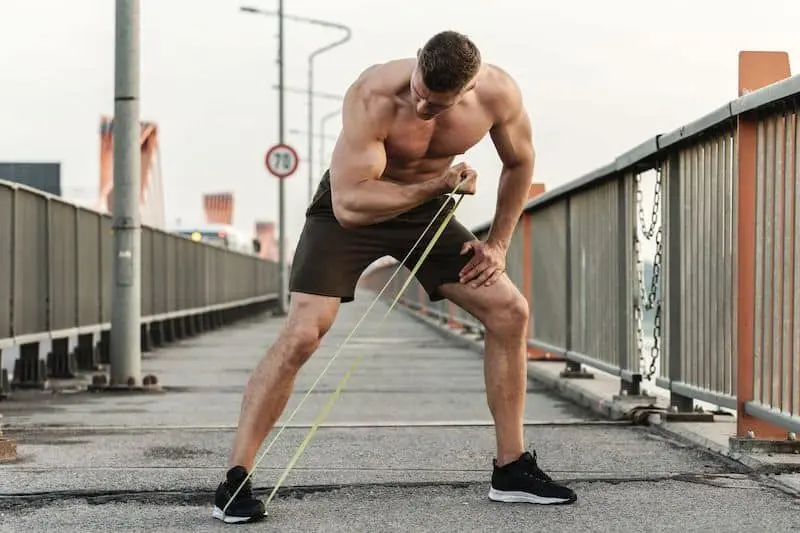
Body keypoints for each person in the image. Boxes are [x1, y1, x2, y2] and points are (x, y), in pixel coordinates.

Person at [212, 30, 577, 524]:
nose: (422, 105)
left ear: (467, 92)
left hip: (426, 210)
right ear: (418, 64)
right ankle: (235, 479)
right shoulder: (374, 92)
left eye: (437, 104)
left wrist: (497, 245)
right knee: (302, 333)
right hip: (352, 209)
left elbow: (519, 161)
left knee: (510, 312)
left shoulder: (499, 95)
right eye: (419, 91)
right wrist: (438, 184)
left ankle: (511, 470)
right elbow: (350, 203)